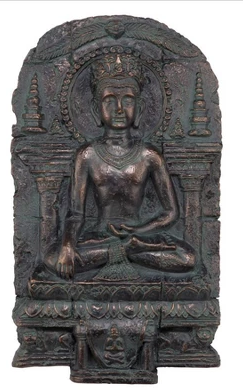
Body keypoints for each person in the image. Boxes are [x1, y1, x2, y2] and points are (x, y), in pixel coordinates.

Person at [54, 54, 195, 280]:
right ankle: (125, 251)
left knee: (188, 258)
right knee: (53, 257)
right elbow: (76, 213)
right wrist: (68, 245)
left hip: (140, 237)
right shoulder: (87, 155)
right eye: (110, 101)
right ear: (96, 109)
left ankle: (123, 251)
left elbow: (170, 213)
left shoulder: (149, 156)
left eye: (128, 101)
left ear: (139, 109)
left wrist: (139, 232)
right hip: (100, 237)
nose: (119, 108)